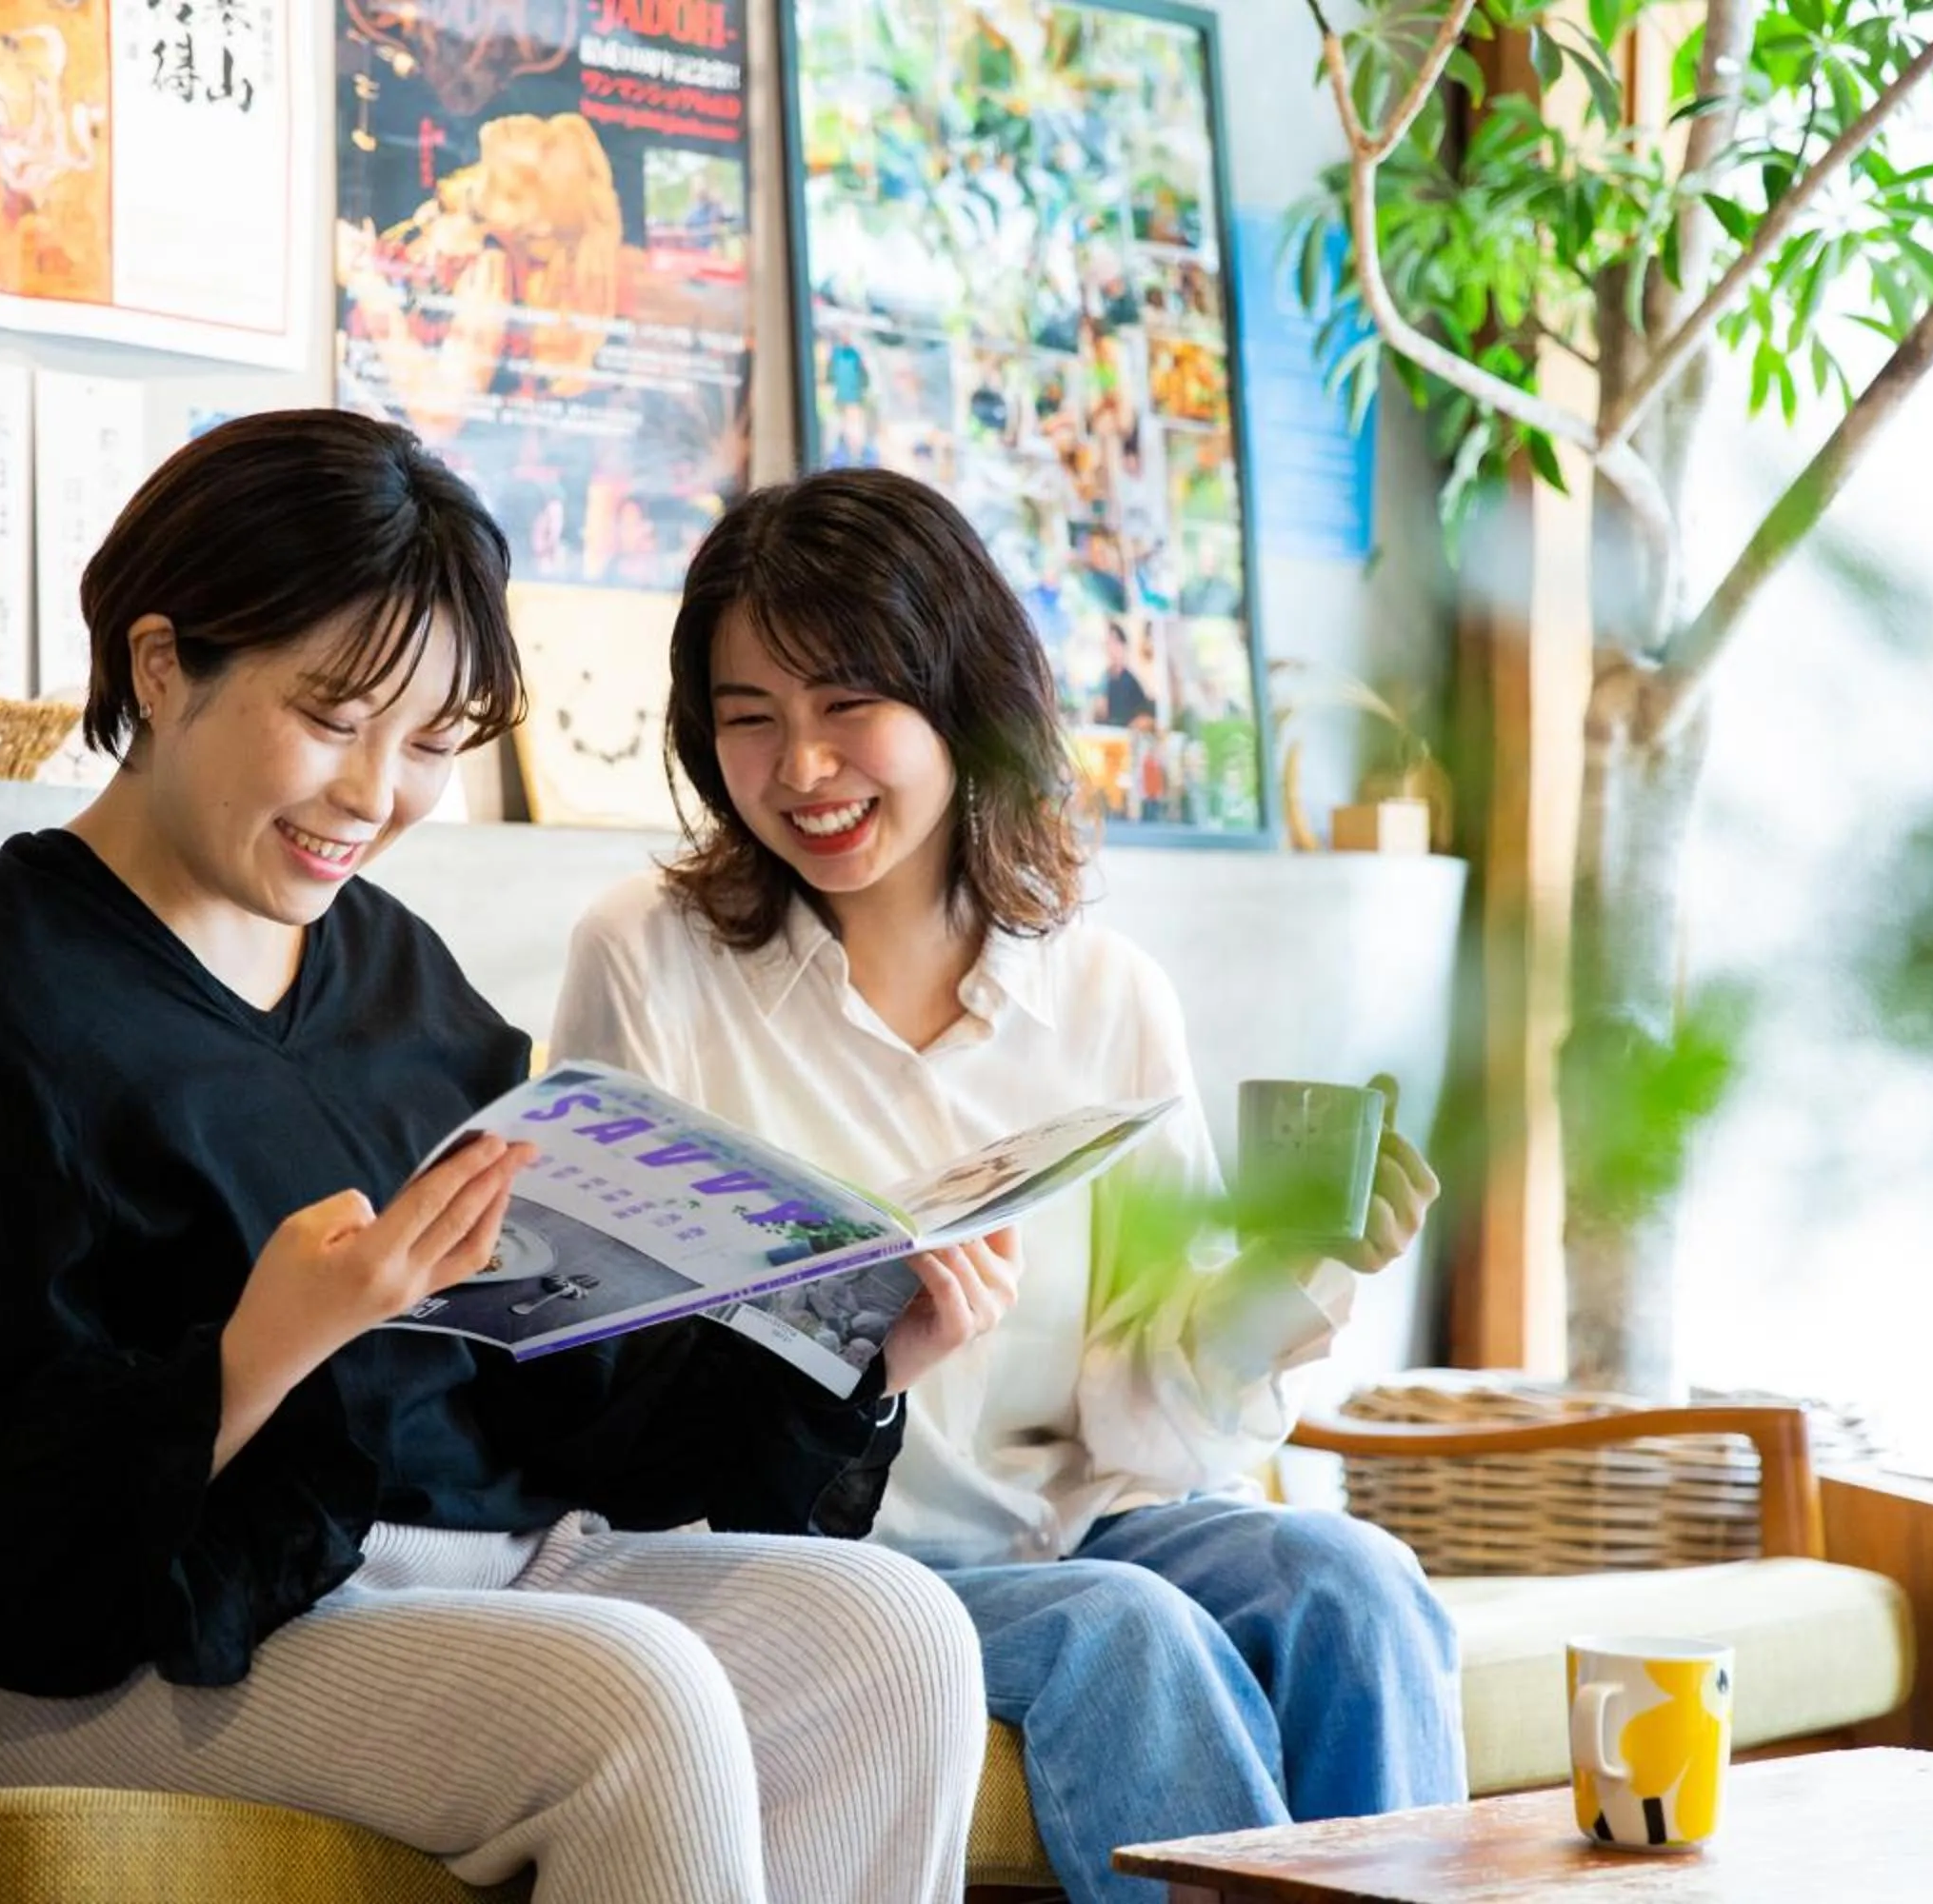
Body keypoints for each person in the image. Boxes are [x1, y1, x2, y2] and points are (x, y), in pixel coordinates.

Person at [0, 414, 986, 1904]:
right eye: (334, 717)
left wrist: (858, 1348)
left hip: (472, 1570)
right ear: (162, 663)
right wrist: (260, 1349)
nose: (378, 794)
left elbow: (570, 1395)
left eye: (434, 743)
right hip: (115, 1642)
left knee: (895, 1637)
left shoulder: (395, 973)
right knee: (629, 1694)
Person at [549, 467, 1465, 1904]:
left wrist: (1291, 1272)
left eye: (849, 704)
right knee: (1123, 1634)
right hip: (794, 1560)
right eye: (749, 721)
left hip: (1061, 1525)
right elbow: (594, 1371)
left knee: (1355, 1585)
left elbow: (1144, 1428)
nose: (802, 769)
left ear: (964, 702)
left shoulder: (1103, 996)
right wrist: (853, 1331)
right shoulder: (648, 957)